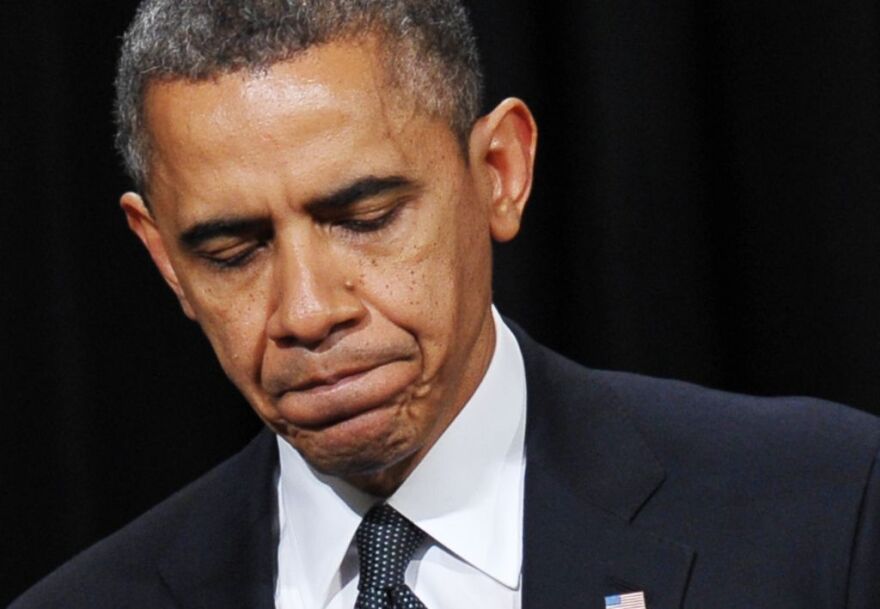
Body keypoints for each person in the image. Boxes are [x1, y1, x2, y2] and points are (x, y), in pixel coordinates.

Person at [10, 1, 880, 608]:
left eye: (365, 218)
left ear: (500, 172)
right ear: (163, 259)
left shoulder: (825, 512)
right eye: (233, 250)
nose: (307, 311)